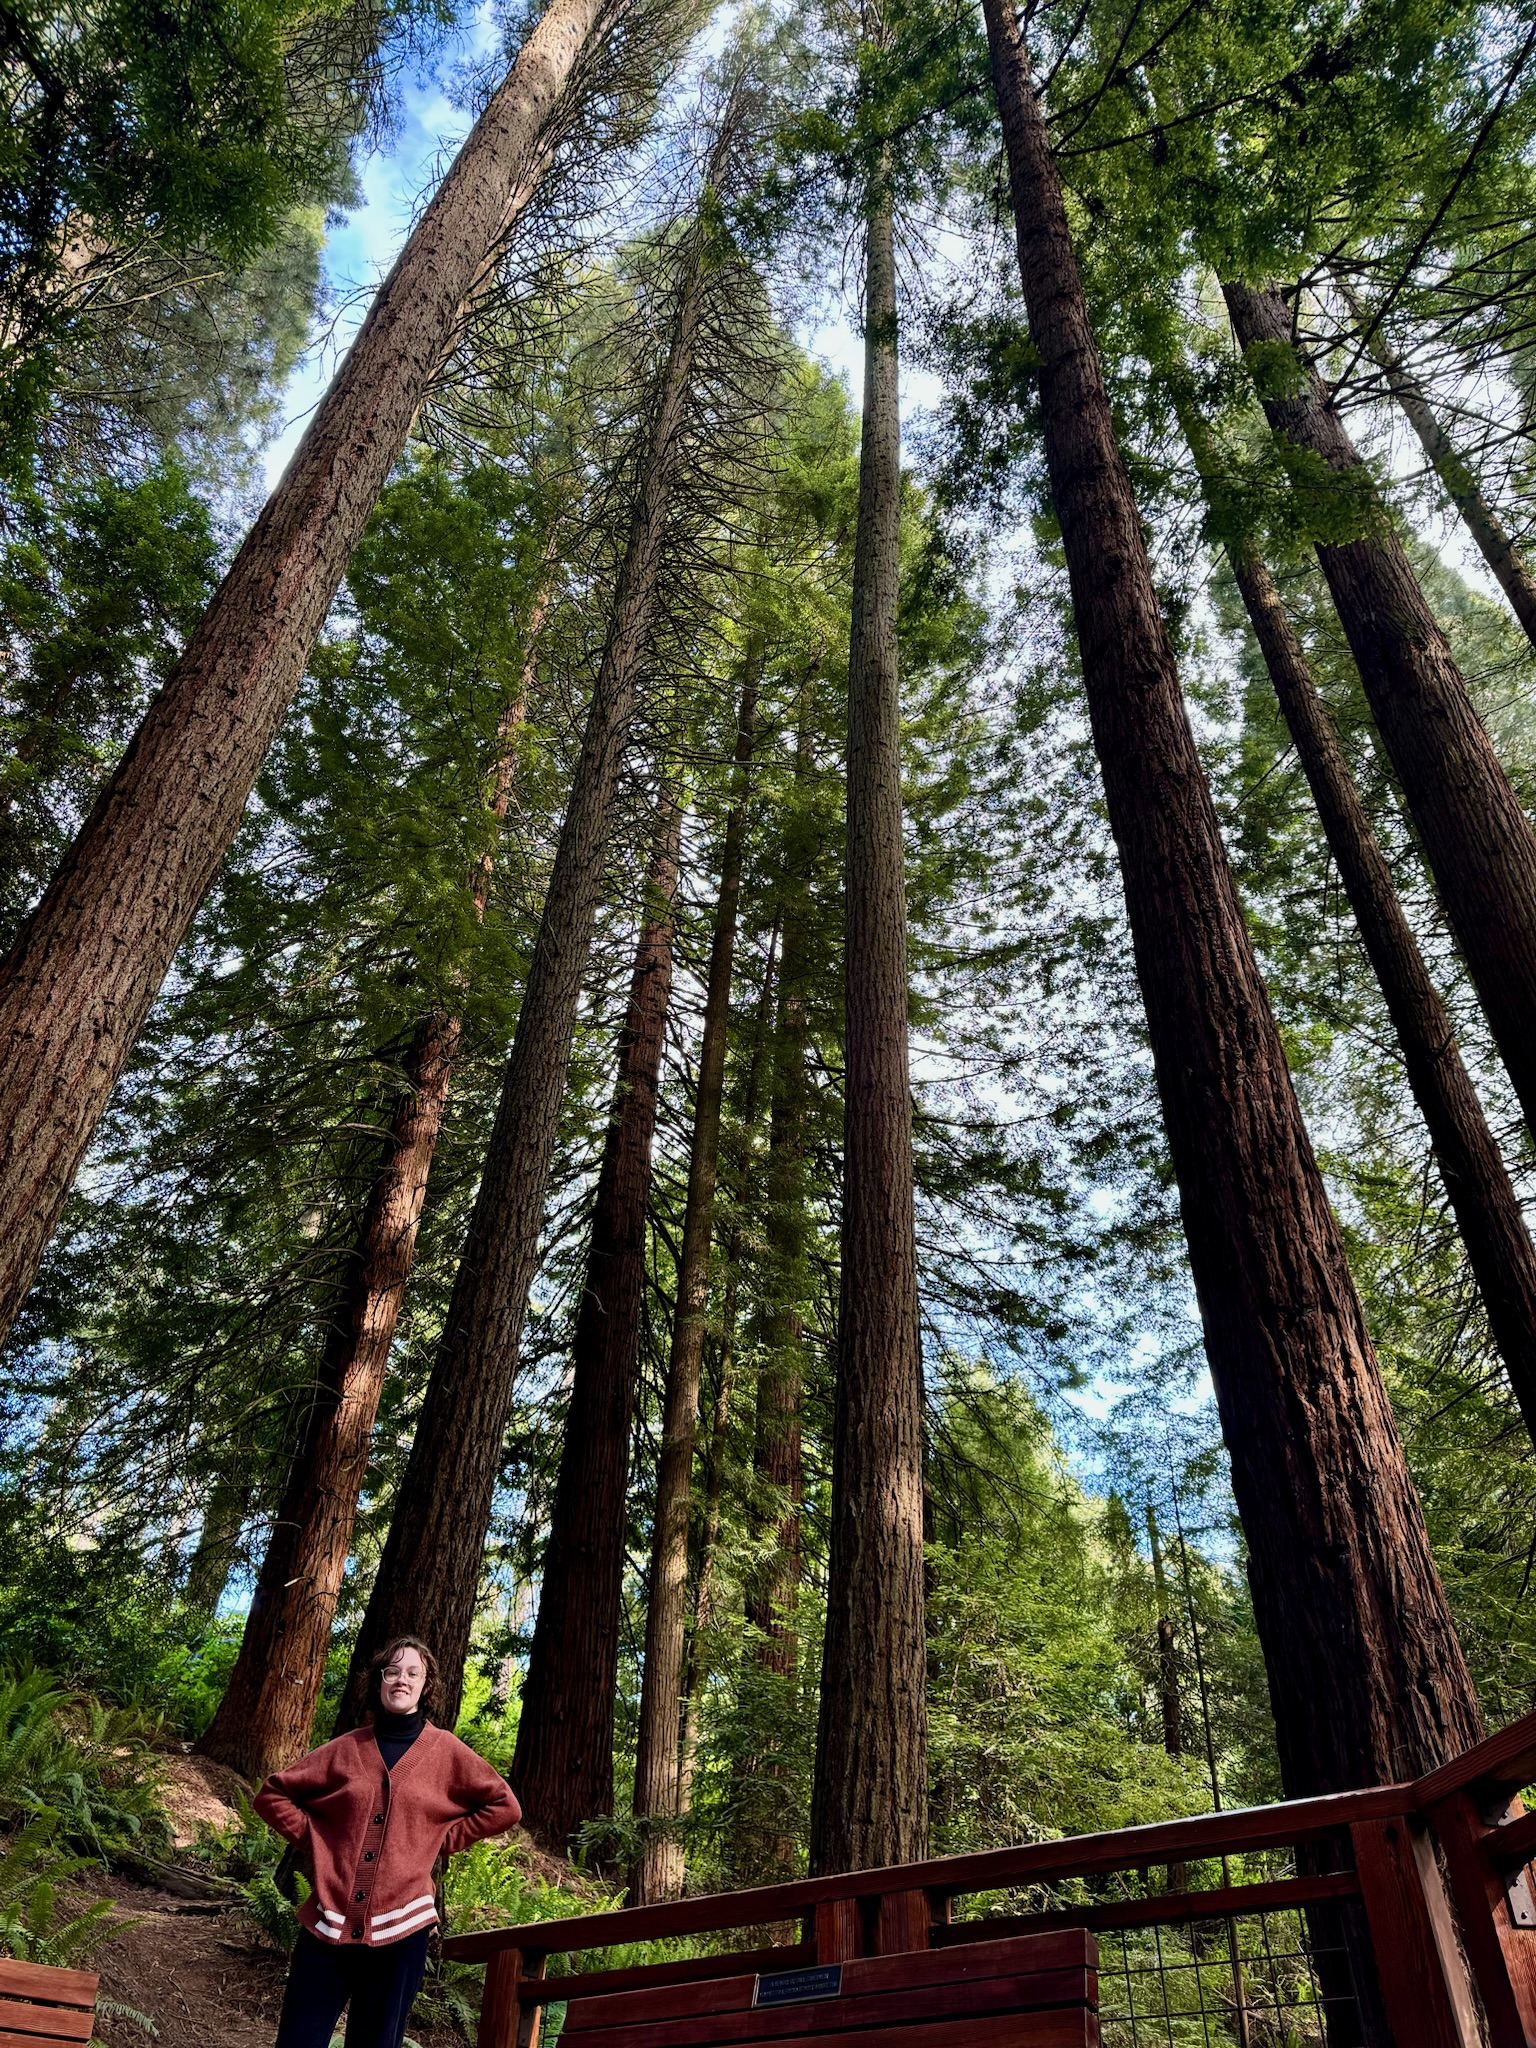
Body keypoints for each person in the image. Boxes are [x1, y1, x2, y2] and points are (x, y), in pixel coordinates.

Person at [255, 1637, 520, 2048]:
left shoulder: (446, 1752)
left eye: (413, 1673)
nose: (402, 1680)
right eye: (392, 1671)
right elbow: (272, 1795)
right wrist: (317, 1839)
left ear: (425, 1685)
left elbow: (505, 1806)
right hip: (328, 1921)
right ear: (379, 1682)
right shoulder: (346, 1748)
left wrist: (444, 1839)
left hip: (403, 1930)